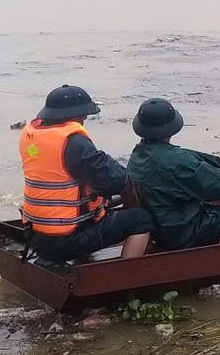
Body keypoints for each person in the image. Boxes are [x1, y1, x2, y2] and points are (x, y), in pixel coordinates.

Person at [19, 85, 153, 263]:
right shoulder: (73, 143)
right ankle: (126, 274)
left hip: (36, 235)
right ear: (73, 116)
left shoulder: (30, 136)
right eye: (83, 117)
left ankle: (81, 262)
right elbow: (114, 179)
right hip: (66, 241)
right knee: (141, 219)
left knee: (95, 208)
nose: (83, 121)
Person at [126, 98, 220, 249]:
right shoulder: (176, 160)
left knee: (192, 164)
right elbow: (215, 185)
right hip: (182, 230)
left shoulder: (138, 154)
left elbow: (191, 159)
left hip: (161, 224)